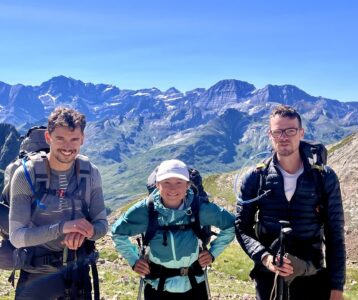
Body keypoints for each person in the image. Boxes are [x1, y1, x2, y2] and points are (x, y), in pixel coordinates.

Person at [235, 105, 345, 300]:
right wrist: (265, 258)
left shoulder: (324, 177)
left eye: (290, 131)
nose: (283, 137)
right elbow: (241, 228)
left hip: (311, 275)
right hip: (269, 275)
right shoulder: (254, 178)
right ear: (270, 135)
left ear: (301, 133)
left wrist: (337, 287)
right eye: (278, 131)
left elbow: (334, 233)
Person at [9, 107, 108, 299]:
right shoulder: (26, 175)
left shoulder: (91, 172)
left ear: (82, 139)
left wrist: (86, 232)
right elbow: (17, 237)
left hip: (77, 269)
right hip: (36, 272)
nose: (67, 146)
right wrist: (63, 227)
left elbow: (102, 225)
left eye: (74, 139)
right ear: (48, 137)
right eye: (60, 138)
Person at [112, 159, 235, 300]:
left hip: (193, 284)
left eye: (179, 183)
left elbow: (231, 225)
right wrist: (134, 260)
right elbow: (117, 232)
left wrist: (213, 253)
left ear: (188, 185)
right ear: (158, 185)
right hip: (157, 286)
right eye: (166, 183)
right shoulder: (146, 210)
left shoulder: (199, 208)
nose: (173, 189)